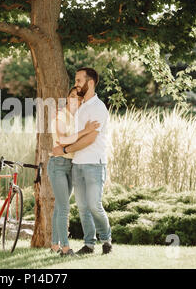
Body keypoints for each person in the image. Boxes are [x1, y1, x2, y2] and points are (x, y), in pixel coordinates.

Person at [52, 67, 112, 255]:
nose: (76, 84)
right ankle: (89, 245)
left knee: (94, 205)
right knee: (84, 208)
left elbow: (90, 138)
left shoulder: (98, 107)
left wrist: (65, 149)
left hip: (94, 163)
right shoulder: (81, 107)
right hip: (77, 164)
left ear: (90, 82)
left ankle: (106, 239)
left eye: (79, 81)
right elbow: (74, 134)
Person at [48, 87, 100, 257]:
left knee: (59, 207)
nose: (74, 100)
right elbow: (62, 139)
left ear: (82, 101)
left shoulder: (78, 119)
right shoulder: (60, 116)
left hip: (72, 164)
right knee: (64, 208)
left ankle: (54, 245)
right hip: (58, 165)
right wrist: (85, 130)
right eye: (71, 96)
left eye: (78, 98)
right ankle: (65, 248)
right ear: (67, 98)